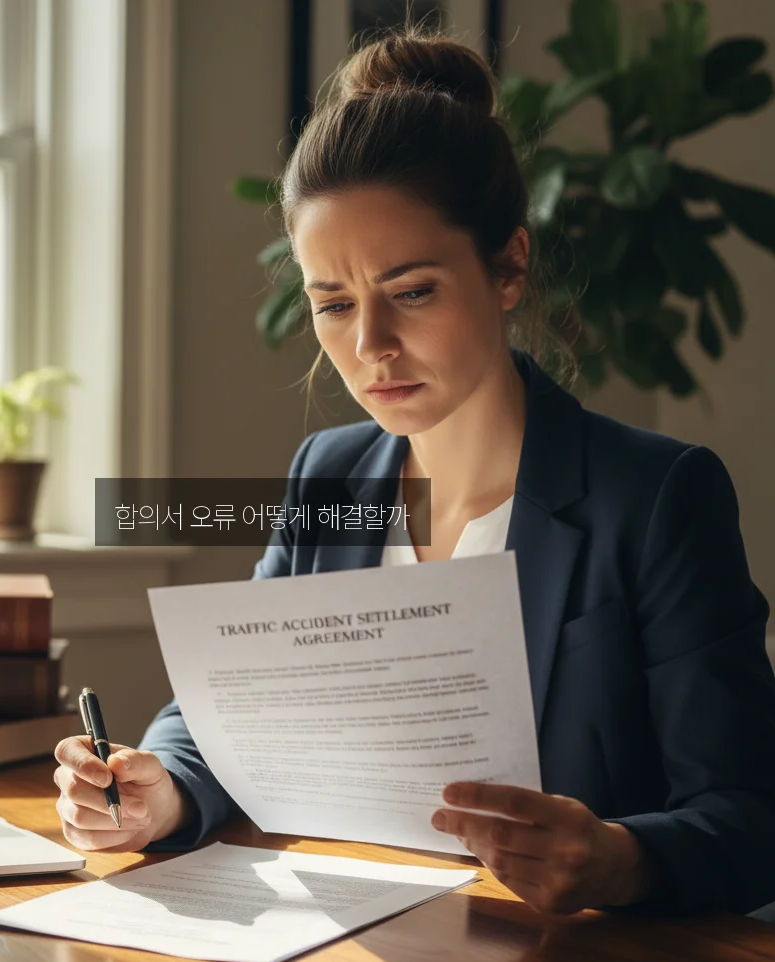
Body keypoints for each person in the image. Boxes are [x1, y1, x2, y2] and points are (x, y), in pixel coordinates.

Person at [54, 27, 775, 915]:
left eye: (414, 291)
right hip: (347, 959)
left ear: (509, 265)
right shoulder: (327, 476)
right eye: (333, 303)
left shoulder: (658, 496)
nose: (370, 346)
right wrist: (160, 790)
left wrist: (621, 857)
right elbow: (235, 712)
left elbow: (750, 817)